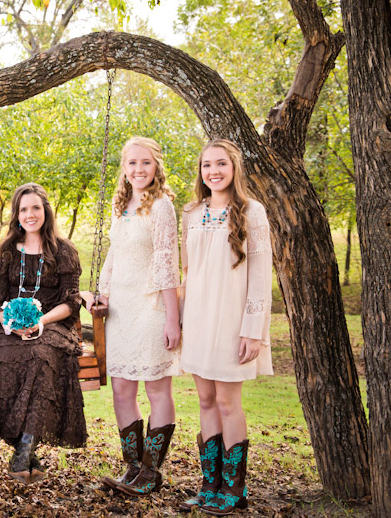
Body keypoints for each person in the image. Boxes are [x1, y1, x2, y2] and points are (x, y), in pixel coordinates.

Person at [81, 136, 182, 497]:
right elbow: (114, 254)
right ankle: (133, 467)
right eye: (132, 163)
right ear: (123, 168)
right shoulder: (120, 205)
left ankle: (152, 472)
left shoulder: (162, 207)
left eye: (146, 163)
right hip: (121, 309)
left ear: (156, 167)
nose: (138, 170)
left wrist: (173, 318)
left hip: (151, 307)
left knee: (156, 388)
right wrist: (102, 292)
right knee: (122, 389)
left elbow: (167, 263)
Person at [178, 139, 273, 516]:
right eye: (207, 165)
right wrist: (182, 317)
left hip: (233, 320)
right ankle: (210, 483)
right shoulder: (191, 212)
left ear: (234, 168)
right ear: (200, 172)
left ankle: (235, 487)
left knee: (228, 403)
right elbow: (189, 272)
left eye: (221, 164)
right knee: (204, 401)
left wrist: (253, 328)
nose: (213, 171)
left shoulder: (253, 212)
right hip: (199, 319)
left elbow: (262, 275)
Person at [0, 182, 87, 485]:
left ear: (45, 211)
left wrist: (41, 322)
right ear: (16, 214)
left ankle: (23, 449)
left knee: (40, 357)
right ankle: (27, 453)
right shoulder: (6, 252)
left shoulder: (64, 251)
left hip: (53, 326)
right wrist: (9, 323)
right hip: (9, 328)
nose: (30, 214)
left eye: (35, 208)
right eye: (23, 209)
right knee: (2, 358)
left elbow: (70, 300)